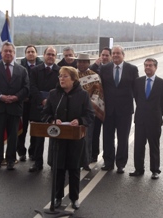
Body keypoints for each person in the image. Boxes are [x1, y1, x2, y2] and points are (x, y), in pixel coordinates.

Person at [42, 66, 94, 210]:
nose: (61, 79)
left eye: (65, 76)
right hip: (58, 139)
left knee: (74, 170)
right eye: (60, 76)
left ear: (73, 79)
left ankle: (74, 198)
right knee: (58, 170)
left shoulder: (83, 95)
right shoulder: (53, 94)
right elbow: (45, 114)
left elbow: (90, 115)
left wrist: (80, 120)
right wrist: (52, 120)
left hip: (75, 140)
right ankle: (57, 198)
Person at [0, 41, 29, 171]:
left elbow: (26, 88)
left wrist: (16, 97)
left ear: (14, 53)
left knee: (13, 136)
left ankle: (10, 160)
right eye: (6, 51)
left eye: (11, 51)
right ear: (1, 53)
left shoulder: (22, 70)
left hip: (14, 107)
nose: (8, 53)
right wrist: (1, 96)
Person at [99, 45, 139, 174]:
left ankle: (121, 164)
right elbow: (100, 88)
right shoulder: (104, 68)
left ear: (123, 55)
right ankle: (108, 162)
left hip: (125, 110)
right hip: (108, 110)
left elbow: (136, 89)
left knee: (123, 138)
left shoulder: (132, 69)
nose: (115, 55)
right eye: (114, 53)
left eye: (118, 53)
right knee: (107, 137)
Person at [129, 58, 163, 179]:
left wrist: (157, 113)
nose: (147, 67)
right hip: (140, 119)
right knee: (139, 145)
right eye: (145, 65)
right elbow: (136, 97)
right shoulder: (138, 81)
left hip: (154, 120)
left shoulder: (162, 83)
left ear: (155, 67)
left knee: (154, 146)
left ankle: (155, 170)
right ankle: (138, 169)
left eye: (150, 65)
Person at [29, 46, 60, 172]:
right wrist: (42, 100)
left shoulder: (60, 71)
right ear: (43, 55)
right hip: (37, 107)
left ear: (56, 57)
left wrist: (50, 101)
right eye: (48, 54)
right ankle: (37, 162)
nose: (50, 57)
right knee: (38, 137)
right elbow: (32, 86)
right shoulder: (35, 70)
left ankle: (54, 162)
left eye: (53, 55)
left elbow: (60, 88)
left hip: (54, 109)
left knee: (55, 134)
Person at [76, 53, 105, 171]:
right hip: (72, 112)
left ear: (88, 63)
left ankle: (86, 161)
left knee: (87, 138)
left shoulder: (95, 76)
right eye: (79, 62)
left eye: (84, 62)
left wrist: (87, 107)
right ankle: (74, 161)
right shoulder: (72, 75)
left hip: (88, 112)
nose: (82, 64)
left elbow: (97, 94)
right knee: (74, 137)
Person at [17, 44, 43, 161]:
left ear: (36, 54)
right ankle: (21, 152)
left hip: (36, 104)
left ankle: (33, 152)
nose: (31, 54)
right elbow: (17, 84)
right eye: (28, 52)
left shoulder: (41, 66)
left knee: (35, 130)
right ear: (25, 54)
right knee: (22, 129)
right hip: (23, 103)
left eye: (33, 52)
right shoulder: (19, 67)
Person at [89, 47, 111, 162]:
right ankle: (93, 154)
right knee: (94, 132)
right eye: (103, 55)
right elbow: (89, 74)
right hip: (97, 105)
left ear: (111, 57)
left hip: (109, 106)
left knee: (107, 135)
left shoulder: (112, 68)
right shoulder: (96, 68)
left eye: (107, 55)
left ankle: (107, 157)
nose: (104, 57)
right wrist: (95, 64)